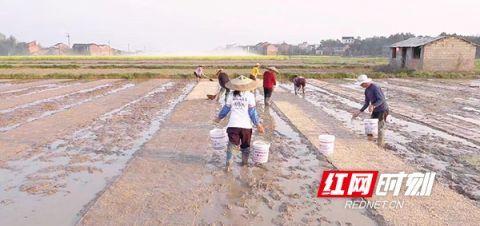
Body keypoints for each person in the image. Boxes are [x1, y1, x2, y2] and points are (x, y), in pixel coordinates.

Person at [215, 75, 265, 171]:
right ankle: (244, 163)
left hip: (233, 125)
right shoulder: (250, 96)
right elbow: (252, 112)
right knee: (245, 146)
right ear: (247, 86)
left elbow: (226, 109)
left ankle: (228, 166)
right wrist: (258, 124)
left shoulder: (231, 95)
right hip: (246, 127)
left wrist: (219, 118)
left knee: (232, 145)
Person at [351, 74, 389, 147]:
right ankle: (370, 140)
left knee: (380, 127)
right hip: (375, 110)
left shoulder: (375, 87)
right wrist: (359, 111)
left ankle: (380, 144)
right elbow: (366, 103)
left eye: (361, 84)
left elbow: (381, 99)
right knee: (371, 125)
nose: (361, 86)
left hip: (382, 109)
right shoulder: (366, 90)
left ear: (365, 83)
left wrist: (373, 105)